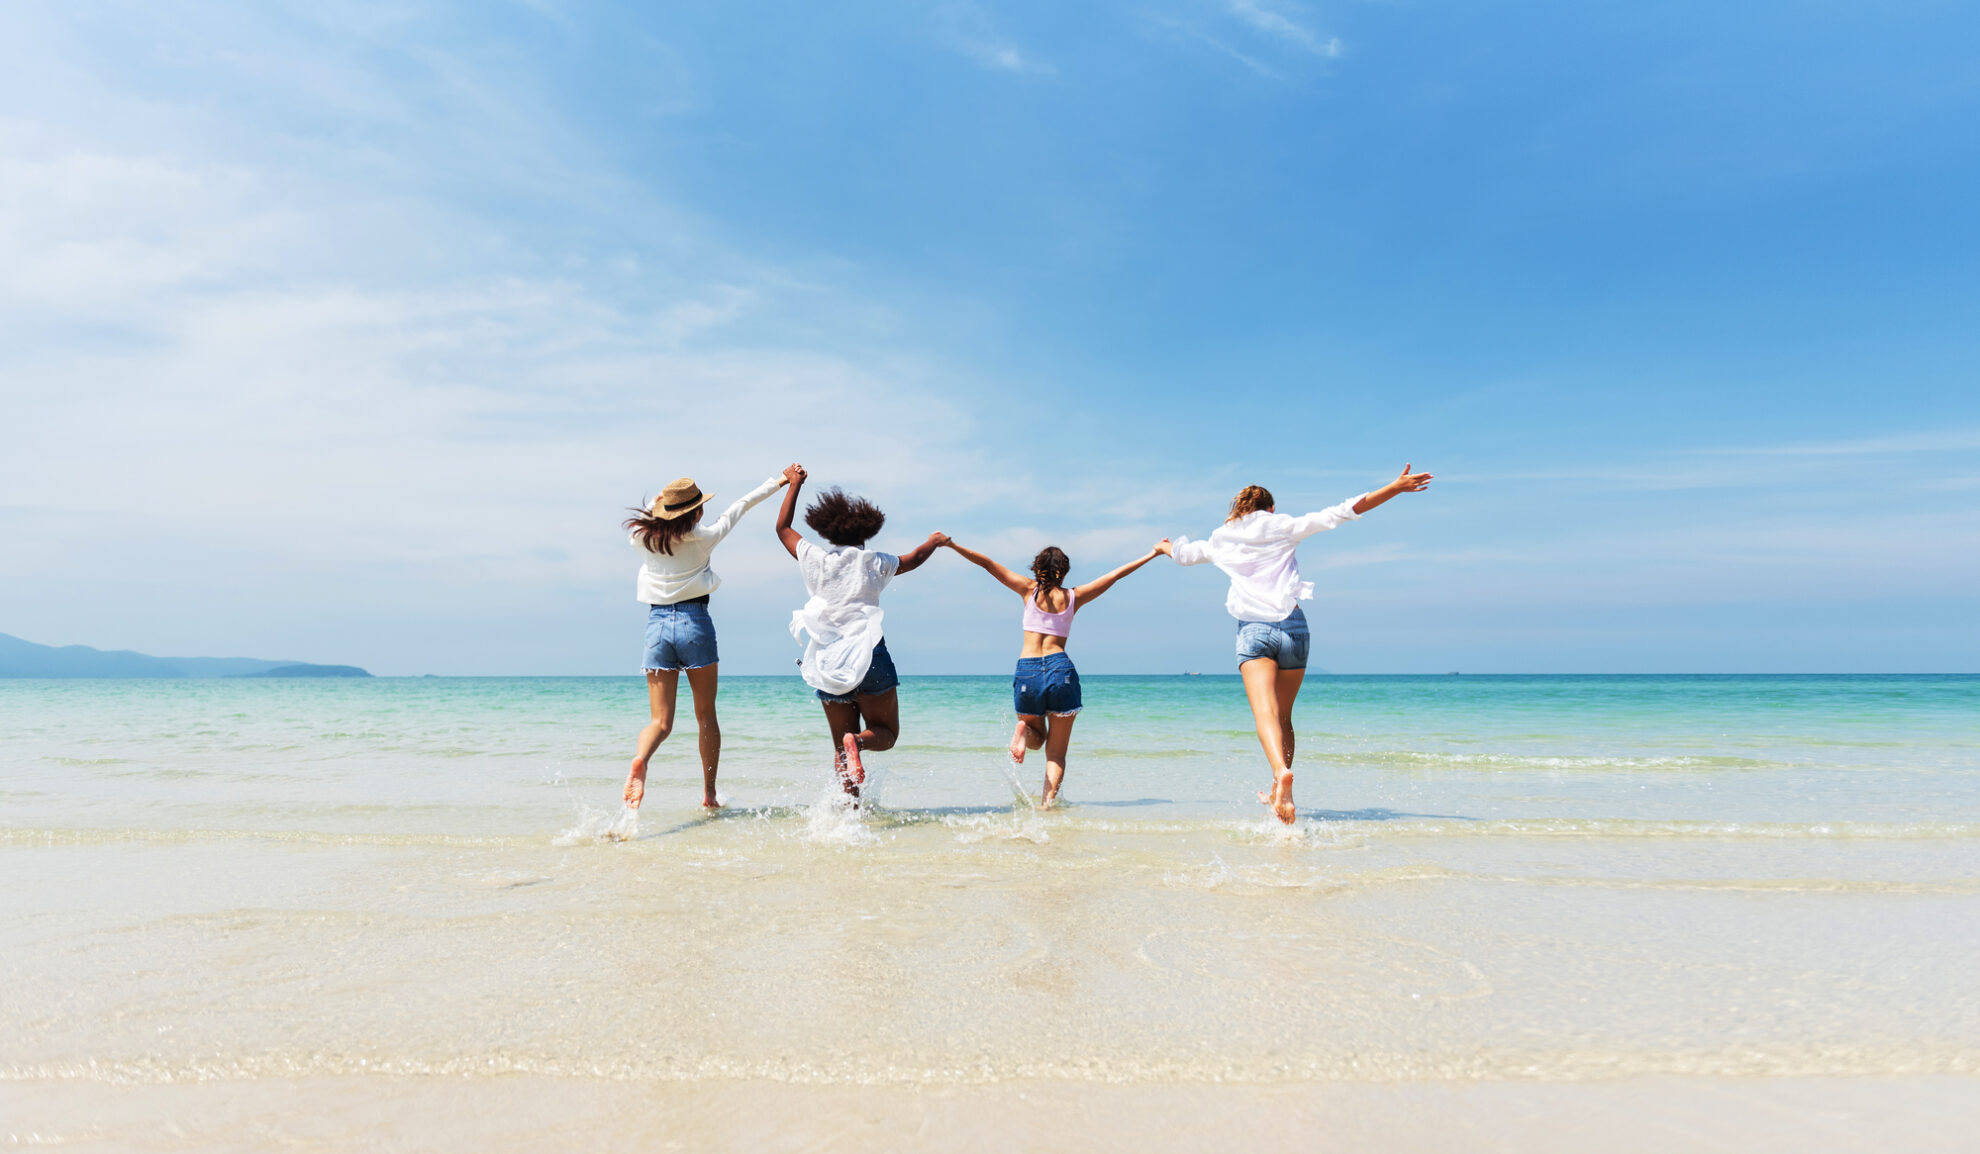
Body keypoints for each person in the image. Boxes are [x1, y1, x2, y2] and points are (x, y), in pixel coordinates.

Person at [1165, 464, 1433, 824]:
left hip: (1254, 632)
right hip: (1294, 629)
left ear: (1239, 510)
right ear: (1271, 509)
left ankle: (1280, 774)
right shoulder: (1284, 526)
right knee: (1285, 715)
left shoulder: (1221, 538)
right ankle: (1279, 789)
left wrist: (1166, 547)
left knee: (1265, 713)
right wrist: (1395, 487)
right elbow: (1343, 511)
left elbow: (1184, 556)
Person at [942, 538, 1168, 808]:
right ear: (1064, 571)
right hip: (1060, 669)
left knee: (1037, 739)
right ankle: (1046, 805)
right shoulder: (1074, 597)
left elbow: (987, 564)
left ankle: (1025, 731)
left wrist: (953, 546)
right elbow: (1115, 575)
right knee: (1056, 754)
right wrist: (1152, 554)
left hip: (1028, 672)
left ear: (1037, 569)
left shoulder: (1027, 590)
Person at [621, 466, 795, 811]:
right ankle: (709, 795)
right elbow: (744, 503)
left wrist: (661, 501)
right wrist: (782, 479)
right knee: (705, 716)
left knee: (660, 722)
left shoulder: (641, 540)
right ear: (697, 511)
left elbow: (659, 511)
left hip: (656, 627)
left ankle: (641, 759)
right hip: (694, 623)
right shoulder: (705, 537)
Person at [774, 466, 947, 797]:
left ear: (828, 531)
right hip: (869, 656)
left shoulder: (815, 558)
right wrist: (934, 542)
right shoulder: (874, 562)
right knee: (885, 732)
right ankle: (859, 743)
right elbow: (914, 559)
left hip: (827, 663)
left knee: (840, 746)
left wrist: (794, 484)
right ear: (866, 531)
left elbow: (782, 528)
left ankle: (849, 816)